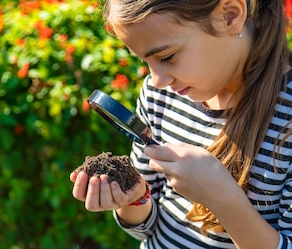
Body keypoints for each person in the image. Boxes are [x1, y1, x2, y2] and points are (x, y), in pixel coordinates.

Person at [69, 0, 292, 248]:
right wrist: (132, 199)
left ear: (229, 16)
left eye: (167, 56)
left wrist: (223, 199)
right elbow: (147, 227)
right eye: (145, 61)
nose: (157, 80)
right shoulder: (160, 95)